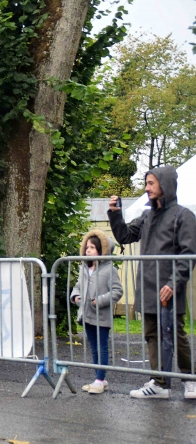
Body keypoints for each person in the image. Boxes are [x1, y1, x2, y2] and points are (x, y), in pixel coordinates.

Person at [108, 166, 196, 399]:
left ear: (165, 184)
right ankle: (159, 383)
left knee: (175, 333)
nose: (147, 188)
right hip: (147, 287)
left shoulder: (183, 216)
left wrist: (173, 283)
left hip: (169, 287)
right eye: (146, 183)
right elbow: (125, 236)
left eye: (151, 183)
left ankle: (190, 379)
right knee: (152, 334)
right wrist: (116, 213)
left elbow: (189, 255)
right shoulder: (147, 216)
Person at [70, 230, 123, 394]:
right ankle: (99, 379)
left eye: (92, 247)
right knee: (93, 347)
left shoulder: (110, 270)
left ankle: (100, 379)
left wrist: (98, 301)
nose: (88, 250)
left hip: (101, 315)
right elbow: (78, 286)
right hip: (86, 315)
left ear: (102, 250)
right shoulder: (84, 269)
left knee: (102, 347)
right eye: (87, 247)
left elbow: (117, 291)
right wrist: (76, 296)